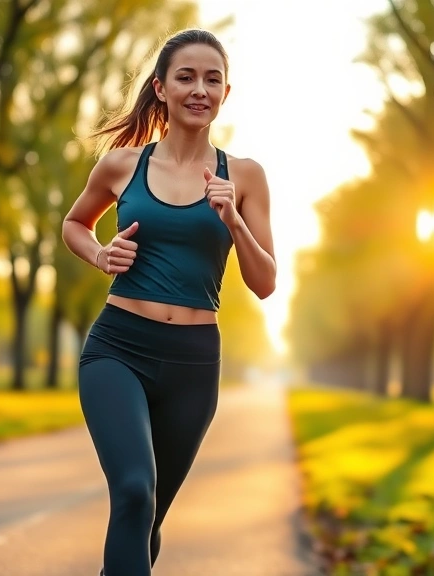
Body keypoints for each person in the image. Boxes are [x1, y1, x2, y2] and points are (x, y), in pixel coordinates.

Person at [61, 28, 277, 576]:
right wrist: (100, 255)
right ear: (161, 88)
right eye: (186, 77)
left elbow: (265, 281)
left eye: (212, 79)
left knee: (147, 518)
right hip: (118, 347)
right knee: (134, 491)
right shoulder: (122, 165)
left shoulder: (245, 176)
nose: (199, 89)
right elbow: (74, 224)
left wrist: (233, 221)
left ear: (226, 94)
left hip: (193, 361)